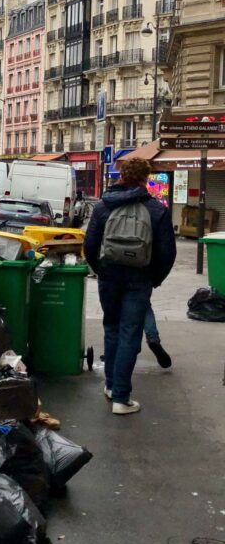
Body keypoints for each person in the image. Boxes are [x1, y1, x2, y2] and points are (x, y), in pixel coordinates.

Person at [84, 157, 176, 414]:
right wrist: (153, 277)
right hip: (140, 278)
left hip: (109, 277)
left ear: (122, 175)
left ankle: (111, 386)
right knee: (130, 333)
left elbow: (90, 245)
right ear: (145, 178)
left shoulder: (103, 206)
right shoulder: (157, 209)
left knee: (111, 328)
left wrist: (100, 269)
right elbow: (167, 252)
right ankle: (121, 399)